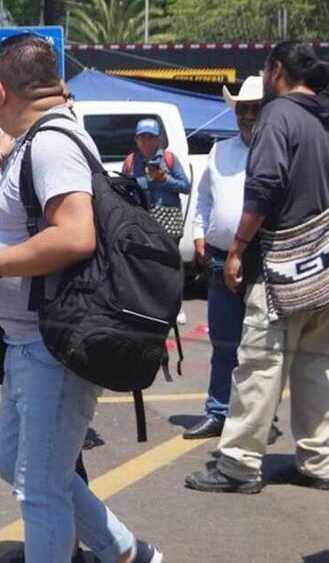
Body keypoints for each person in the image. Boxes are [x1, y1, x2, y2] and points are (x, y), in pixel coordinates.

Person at [0, 34, 161, 561]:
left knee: (40, 490)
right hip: (29, 342)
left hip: (52, 345)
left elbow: (75, 236)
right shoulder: (37, 139)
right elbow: (34, 232)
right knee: (14, 464)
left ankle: (122, 553)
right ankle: (126, 552)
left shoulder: (52, 144)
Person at [186, 41, 329, 494]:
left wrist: (237, 248)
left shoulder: (278, 115)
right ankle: (318, 461)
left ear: (276, 70)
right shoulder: (321, 116)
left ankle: (239, 464)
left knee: (259, 365)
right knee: (314, 368)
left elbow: (265, 186)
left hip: (278, 266)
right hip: (321, 262)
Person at [183, 76, 264, 440]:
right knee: (224, 341)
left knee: (261, 345)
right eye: (242, 109)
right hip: (218, 257)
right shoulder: (220, 151)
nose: (247, 116)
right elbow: (203, 198)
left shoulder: (277, 150)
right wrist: (200, 234)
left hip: (261, 258)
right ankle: (218, 410)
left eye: (255, 109)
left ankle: (256, 418)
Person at [122, 117, 192, 324]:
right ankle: (149, 308)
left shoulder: (169, 159)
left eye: (150, 137)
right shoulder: (130, 161)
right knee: (144, 264)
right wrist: (144, 181)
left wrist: (164, 179)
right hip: (142, 220)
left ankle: (175, 306)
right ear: (136, 140)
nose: (146, 142)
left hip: (168, 220)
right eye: (142, 137)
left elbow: (186, 186)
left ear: (158, 140)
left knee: (170, 264)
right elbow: (125, 188)